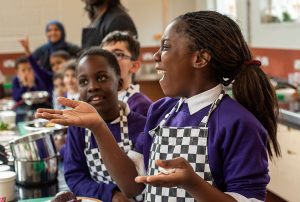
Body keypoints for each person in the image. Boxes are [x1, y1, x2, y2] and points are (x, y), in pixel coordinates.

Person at [37, 11, 280, 202]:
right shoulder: (161, 112)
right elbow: (132, 186)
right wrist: (98, 126)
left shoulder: (238, 123)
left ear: (200, 58)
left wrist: (193, 184)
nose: (155, 56)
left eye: (165, 47)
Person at [53, 48, 146, 201]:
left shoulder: (141, 126)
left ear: (119, 84)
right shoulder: (78, 129)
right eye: (83, 82)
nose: (92, 87)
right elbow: (75, 176)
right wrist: (111, 194)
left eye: (102, 78)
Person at [101, 31, 152, 116]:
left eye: (118, 54)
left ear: (134, 66)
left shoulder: (141, 105)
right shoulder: (99, 100)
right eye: (104, 55)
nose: (108, 59)